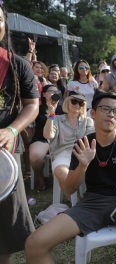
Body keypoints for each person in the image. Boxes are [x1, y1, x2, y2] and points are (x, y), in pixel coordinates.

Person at [25, 91, 116, 263]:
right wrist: (83, 165)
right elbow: (69, 188)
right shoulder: (82, 144)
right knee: (34, 244)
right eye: (105, 109)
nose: (111, 114)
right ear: (92, 113)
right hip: (92, 203)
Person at [0, 5, 39, 263]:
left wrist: (12, 129)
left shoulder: (17, 65)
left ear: (4, 25)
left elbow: (31, 105)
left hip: (4, 158)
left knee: (5, 230)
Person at [43, 90, 94, 201]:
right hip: (62, 153)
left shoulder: (88, 121)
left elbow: (89, 142)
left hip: (82, 154)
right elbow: (48, 135)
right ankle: (78, 203)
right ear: (67, 102)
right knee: (63, 174)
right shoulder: (57, 119)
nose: (77, 105)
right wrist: (51, 113)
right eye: (74, 101)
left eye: (81, 103)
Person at [29, 85, 64, 191]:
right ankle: (40, 178)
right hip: (42, 138)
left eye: (56, 91)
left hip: (60, 139)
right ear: (43, 94)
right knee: (35, 156)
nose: (54, 93)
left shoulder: (64, 108)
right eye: (51, 91)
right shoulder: (37, 109)